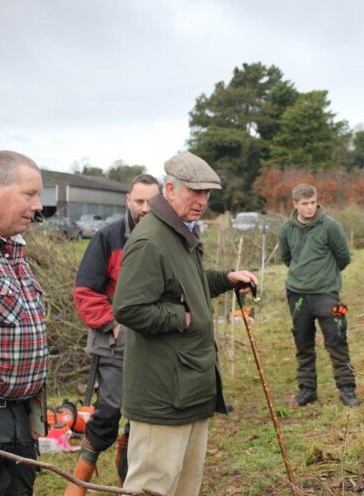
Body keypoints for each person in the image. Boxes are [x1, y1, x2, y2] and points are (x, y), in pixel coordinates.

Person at [112, 152, 257, 496]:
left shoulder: (180, 232)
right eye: (195, 192)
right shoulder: (150, 240)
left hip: (191, 386)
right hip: (161, 396)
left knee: (185, 488)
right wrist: (183, 317)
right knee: (152, 488)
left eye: (207, 194)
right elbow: (129, 309)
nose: (202, 201)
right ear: (170, 189)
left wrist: (225, 279)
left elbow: (182, 286)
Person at [64, 174, 160, 494]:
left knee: (143, 417)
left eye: (152, 201)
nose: (146, 208)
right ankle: (78, 485)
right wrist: (115, 325)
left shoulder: (167, 237)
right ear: (128, 201)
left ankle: (129, 481)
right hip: (113, 342)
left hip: (154, 343)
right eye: (140, 201)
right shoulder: (107, 238)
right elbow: (85, 292)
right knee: (110, 412)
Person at [0, 151, 48, 495]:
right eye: (29, 194)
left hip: (18, 424)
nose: (38, 205)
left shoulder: (13, 252)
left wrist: (35, 413)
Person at [279, 183, 359, 407]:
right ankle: (307, 389)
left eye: (313, 203)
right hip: (298, 296)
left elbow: (343, 257)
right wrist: (302, 276)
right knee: (302, 341)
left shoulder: (330, 226)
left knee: (337, 338)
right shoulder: (286, 229)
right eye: (304, 204)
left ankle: (347, 389)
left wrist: (326, 277)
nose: (309, 208)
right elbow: (287, 257)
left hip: (327, 294)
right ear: (295, 204)